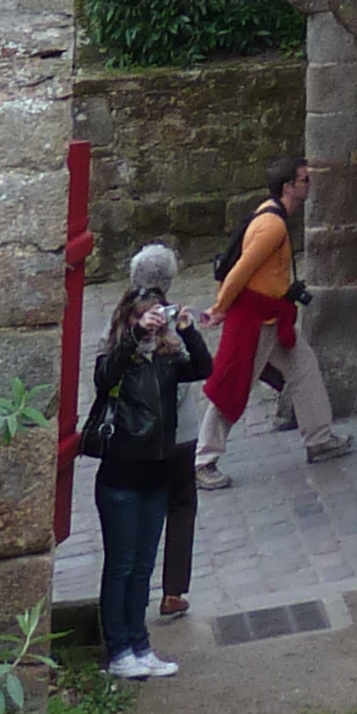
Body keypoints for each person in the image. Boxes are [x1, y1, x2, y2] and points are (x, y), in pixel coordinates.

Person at [196, 154, 352, 477]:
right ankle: (203, 460)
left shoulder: (271, 215)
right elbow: (241, 271)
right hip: (255, 321)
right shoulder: (272, 225)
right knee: (233, 385)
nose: (309, 184)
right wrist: (219, 309)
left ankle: (319, 438)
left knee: (304, 368)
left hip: (272, 316)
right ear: (288, 188)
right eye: (304, 180)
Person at [87, 276, 210, 679]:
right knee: (120, 565)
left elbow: (203, 368)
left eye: (156, 316)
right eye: (142, 318)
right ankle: (118, 649)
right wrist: (135, 337)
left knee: (142, 566)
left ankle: (140, 644)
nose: (152, 324)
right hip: (120, 478)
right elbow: (105, 379)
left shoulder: (168, 360)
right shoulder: (115, 359)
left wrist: (189, 332)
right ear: (130, 321)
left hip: (156, 476)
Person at [125, 241, 208, 621]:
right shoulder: (171, 318)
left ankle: (132, 592)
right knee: (181, 505)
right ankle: (173, 591)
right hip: (178, 432)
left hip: (137, 433)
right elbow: (196, 370)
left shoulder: (123, 319)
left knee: (139, 510)